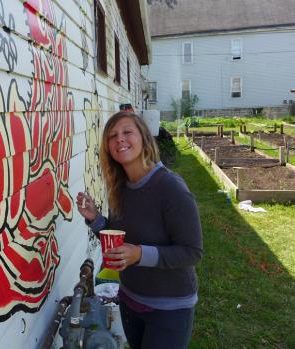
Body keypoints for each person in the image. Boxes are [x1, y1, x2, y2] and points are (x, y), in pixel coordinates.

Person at [76, 111, 203, 349]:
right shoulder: (120, 187)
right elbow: (119, 239)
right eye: (112, 136)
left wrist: (139, 254)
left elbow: (192, 252)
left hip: (169, 309)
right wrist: (96, 221)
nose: (119, 139)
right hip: (130, 300)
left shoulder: (171, 188)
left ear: (143, 138)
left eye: (127, 132)